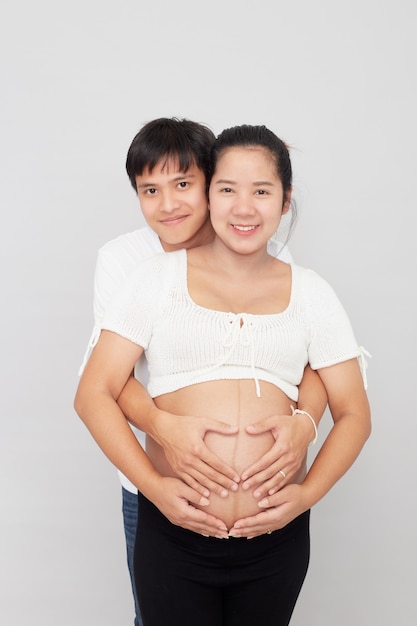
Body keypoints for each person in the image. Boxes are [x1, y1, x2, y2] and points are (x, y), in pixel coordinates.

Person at [75, 123, 371, 625]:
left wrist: (304, 489)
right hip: (171, 519)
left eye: (261, 191)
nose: (243, 205)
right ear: (215, 196)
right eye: (229, 189)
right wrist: (155, 478)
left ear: (285, 200)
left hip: (274, 534)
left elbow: (347, 403)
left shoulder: (305, 284)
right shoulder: (144, 273)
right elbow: (97, 390)